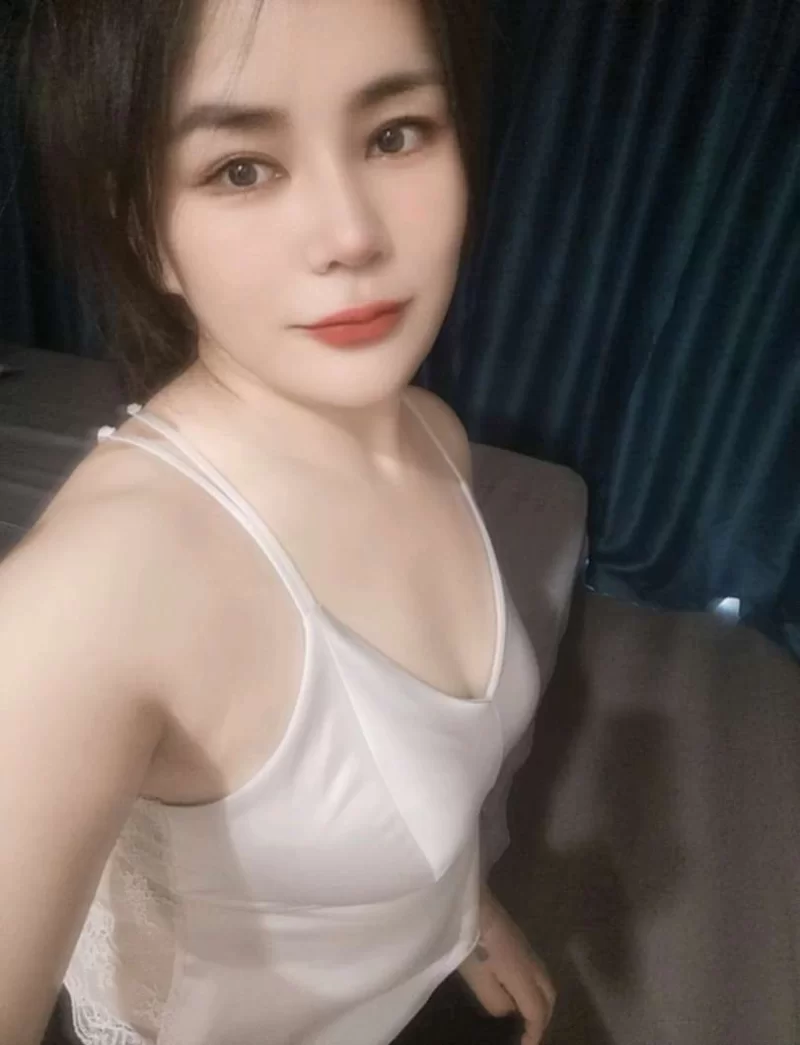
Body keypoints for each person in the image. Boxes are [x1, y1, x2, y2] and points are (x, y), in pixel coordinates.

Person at [2, 1, 557, 1043]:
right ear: (145, 232)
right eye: (241, 169)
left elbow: (403, 792)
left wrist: (466, 917)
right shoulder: (85, 602)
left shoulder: (431, 432)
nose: (351, 235)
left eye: (394, 134)